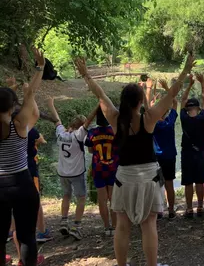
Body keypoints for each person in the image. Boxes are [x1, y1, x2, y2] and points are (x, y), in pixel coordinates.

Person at [75, 54, 193, 266]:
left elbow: (100, 94)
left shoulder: (114, 117)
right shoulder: (149, 117)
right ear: (140, 101)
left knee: (122, 225)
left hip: (123, 177)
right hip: (149, 176)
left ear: (123, 100)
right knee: (149, 225)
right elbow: (173, 93)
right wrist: (184, 71)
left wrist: (85, 75)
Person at [1, 48, 45, 266]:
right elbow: (31, 95)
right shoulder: (19, 125)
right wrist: (40, 67)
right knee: (27, 236)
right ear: (12, 107)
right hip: (22, 184)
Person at [47, 97, 95, 241]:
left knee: (66, 196)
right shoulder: (79, 135)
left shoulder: (61, 133)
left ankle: (64, 221)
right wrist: (99, 104)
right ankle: (76, 226)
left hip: (62, 173)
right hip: (76, 173)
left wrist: (51, 105)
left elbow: (57, 120)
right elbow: (89, 121)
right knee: (81, 197)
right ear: (81, 127)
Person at [85, 105, 118, 235]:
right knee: (113, 199)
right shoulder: (114, 131)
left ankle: (106, 227)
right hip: (112, 168)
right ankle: (115, 226)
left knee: (102, 199)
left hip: (98, 168)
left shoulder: (92, 132)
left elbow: (90, 150)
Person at [179, 73, 204, 217]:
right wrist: (202, 83)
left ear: (186, 108)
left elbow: (182, 100)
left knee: (188, 181)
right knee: (199, 179)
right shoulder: (202, 117)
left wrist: (189, 84)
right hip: (200, 152)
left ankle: (189, 208)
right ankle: (201, 207)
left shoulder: (184, 117)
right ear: (197, 108)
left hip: (187, 153)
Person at [150, 79, 178, 219]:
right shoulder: (170, 122)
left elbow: (149, 112)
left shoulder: (153, 124)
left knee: (157, 185)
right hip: (170, 157)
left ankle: (159, 210)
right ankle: (171, 210)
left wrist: (151, 100)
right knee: (169, 184)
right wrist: (167, 88)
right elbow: (175, 103)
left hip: (157, 158)